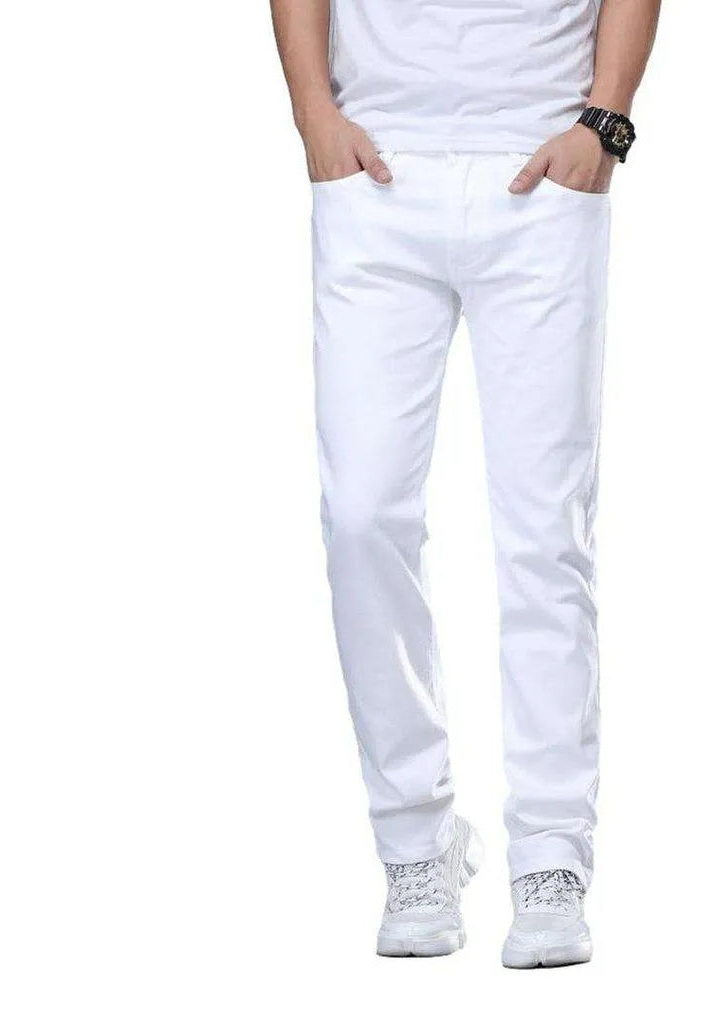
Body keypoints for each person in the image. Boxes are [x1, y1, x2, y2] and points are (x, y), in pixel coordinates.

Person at [270, 0, 660, 968]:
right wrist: (312, 112)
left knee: (545, 529)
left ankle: (551, 853)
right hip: (376, 170)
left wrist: (605, 121)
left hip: (540, 165)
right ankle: (417, 839)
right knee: (361, 514)